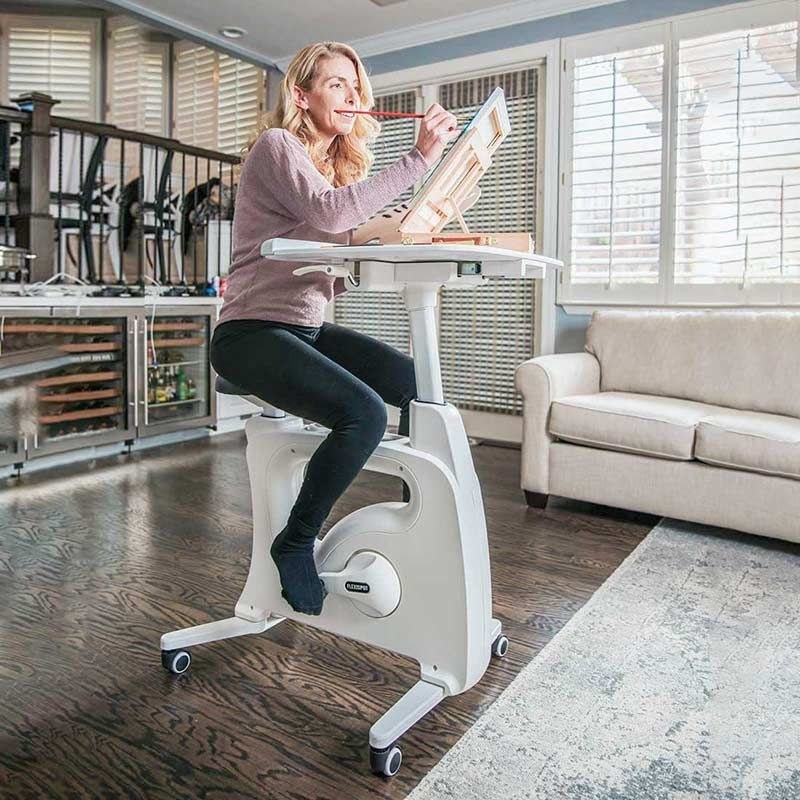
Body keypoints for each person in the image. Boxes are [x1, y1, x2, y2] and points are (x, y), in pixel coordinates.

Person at [210, 42, 459, 616]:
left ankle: (414, 519)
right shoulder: (278, 148)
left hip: (303, 329)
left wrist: (380, 239)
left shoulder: (324, 173)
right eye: (337, 85)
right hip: (250, 333)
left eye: (356, 87)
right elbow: (330, 214)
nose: (352, 96)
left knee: (416, 383)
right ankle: (295, 540)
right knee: (365, 412)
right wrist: (417, 160)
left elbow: (328, 260)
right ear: (303, 95)